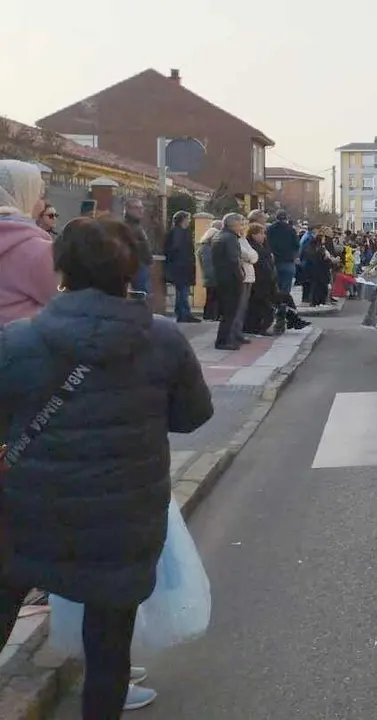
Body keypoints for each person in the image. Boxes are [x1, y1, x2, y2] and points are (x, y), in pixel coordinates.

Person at [0, 217, 213, 718]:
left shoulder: (18, 341)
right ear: (133, 269)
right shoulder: (163, 340)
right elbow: (193, 416)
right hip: (125, 519)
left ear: (61, 269)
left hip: (31, 512)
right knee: (109, 647)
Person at [0, 160, 57, 324]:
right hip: (19, 344)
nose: (42, 204)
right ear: (23, 195)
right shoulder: (37, 251)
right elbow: (64, 301)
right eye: (40, 195)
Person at [212, 214, 247, 350]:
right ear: (233, 224)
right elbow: (234, 260)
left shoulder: (218, 236)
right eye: (240, 224)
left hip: (221, 277)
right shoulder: (230, 238)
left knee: (226, 311)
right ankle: (223, 341)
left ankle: (227, 338)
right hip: (231, 279)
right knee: (230, 311)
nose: (241, 227)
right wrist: (241, 275)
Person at [163, 211, 199, 323]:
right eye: (188, 219)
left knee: (182, 291)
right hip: (181, 266)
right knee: (183, 291)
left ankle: (183, 313)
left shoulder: (180, 232)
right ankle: (184, 314)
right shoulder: (178, 232)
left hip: (181, 265)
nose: (189, 221)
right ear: (183, 220)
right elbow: (175, 249)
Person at [267, 210, 300, 295]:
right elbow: (296, 245)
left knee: (275, 286)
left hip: (273, 261)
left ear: (276, 218)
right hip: (288, 261)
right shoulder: (291, 229)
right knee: (286, 287)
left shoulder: (270, 229)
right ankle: (284, 305)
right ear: (286, 218)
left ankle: (275, 304)